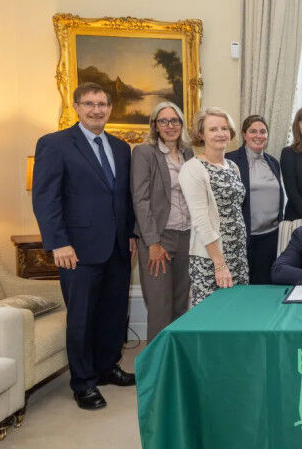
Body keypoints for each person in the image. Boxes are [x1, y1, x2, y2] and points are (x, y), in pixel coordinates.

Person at [32, 82, 136, 410]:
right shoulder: (55, 144)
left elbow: (123, 196)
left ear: (110, 109)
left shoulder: (121, 148)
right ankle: (83, 382)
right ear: (76, 106)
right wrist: (58, 242)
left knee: (114, 312)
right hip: (77, 249)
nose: (96, 110)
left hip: (118, 246)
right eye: (89, 103)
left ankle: (107, 367)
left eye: (102, 104)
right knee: (82, 317)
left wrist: (131, 233)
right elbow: (46, 197)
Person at [131, 102, 194, 342]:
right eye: (164, 121)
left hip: (186, 236)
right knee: (159, 307)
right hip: (159, 238)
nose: (170, 126)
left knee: (180, 305)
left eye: (175, 120)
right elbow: (141, 199)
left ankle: (175, 366)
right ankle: (156, 372)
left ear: (181, 124)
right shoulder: (144, 153)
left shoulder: (189, 153)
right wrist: (153, 243)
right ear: (155, 126)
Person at [178, 107, 249, 307]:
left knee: (237, 312)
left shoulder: (232, 166)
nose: (220, 133)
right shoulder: (192, 168)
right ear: (201, 134)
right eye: (213, 129)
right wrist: (219, 265)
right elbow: (201, 220)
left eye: (224, 128)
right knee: (210, 317)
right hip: (211, 258)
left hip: (238, 254)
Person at [225, 114, 284, 284]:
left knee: (266, 285)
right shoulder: (230, 160)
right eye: (253, 131)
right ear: (244, 135)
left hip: (271, 236)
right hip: (244, 238)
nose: (258, 136)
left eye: (263, 132)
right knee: (243, 285)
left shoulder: (273, 161)